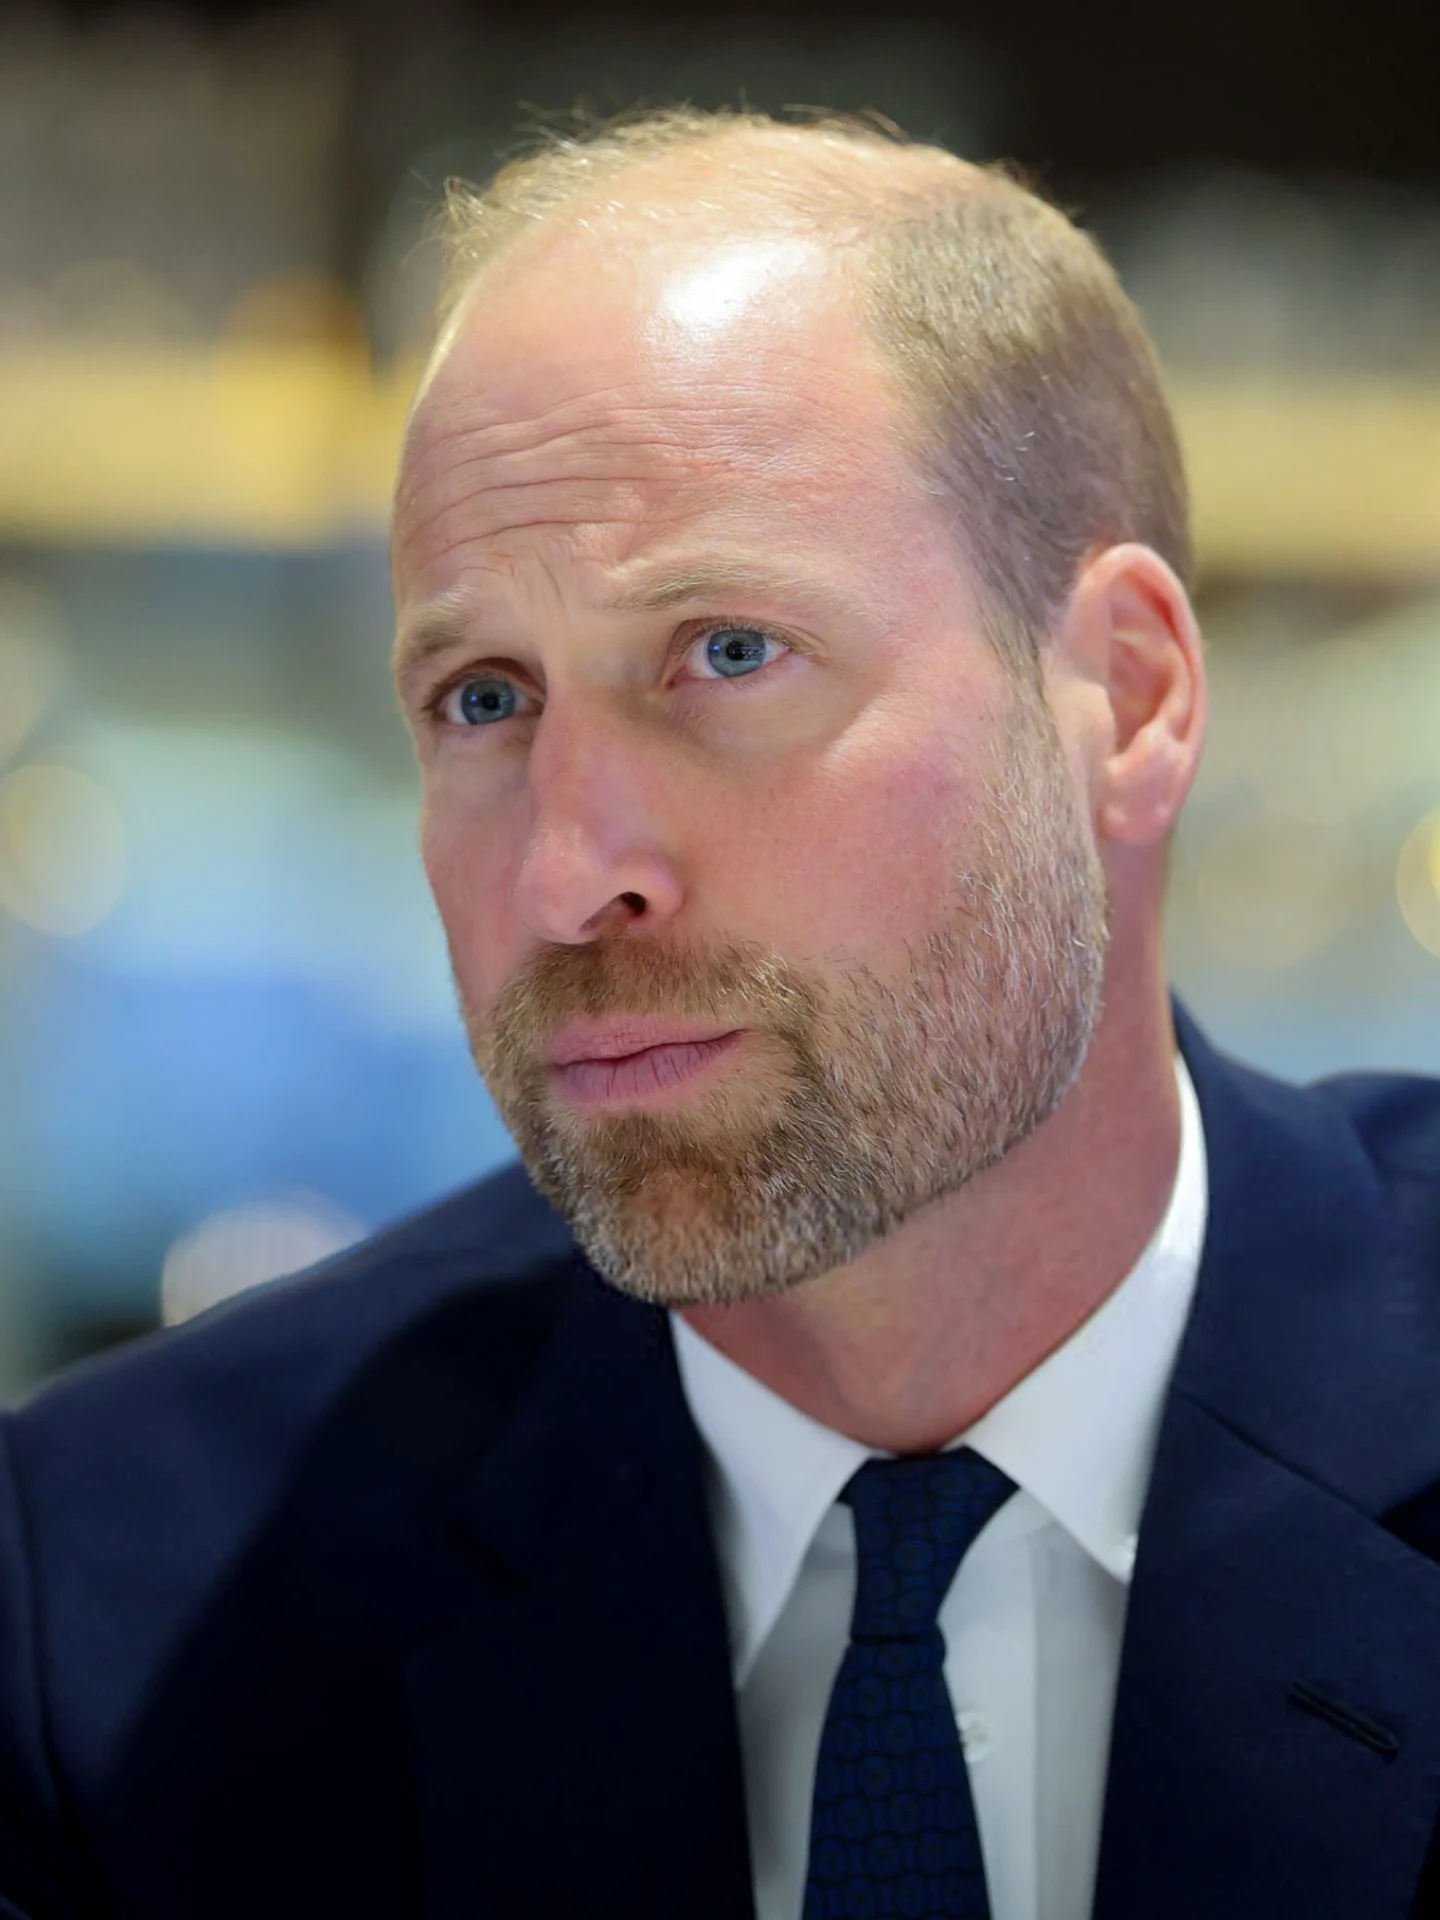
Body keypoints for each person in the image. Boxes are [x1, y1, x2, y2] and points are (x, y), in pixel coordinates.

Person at [1, 106, 1438, 1920]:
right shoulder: (123, 1606)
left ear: (1127, 701)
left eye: (729, 653)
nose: (566, 874)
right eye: (484, 699)